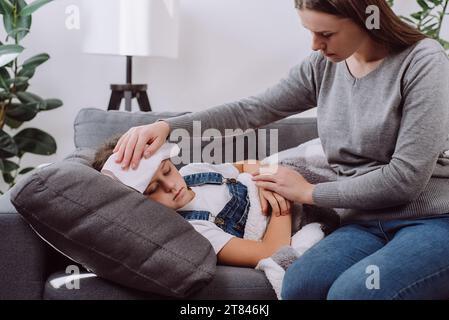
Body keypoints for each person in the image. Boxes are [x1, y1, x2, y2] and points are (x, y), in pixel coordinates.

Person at [111, 0, 449, 300]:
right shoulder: (323, 66)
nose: (316, 45)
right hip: (362, 220)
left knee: (356, 292)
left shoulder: (422, 61)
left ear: (364, 17)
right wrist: (167, 127)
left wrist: (309, 192)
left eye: (326, 34)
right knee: (300, 285)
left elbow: (405, 179)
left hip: (431, 218)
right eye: (310, 32)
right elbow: (249, 110)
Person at [92, 137, 325, 269]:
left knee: (323, 154)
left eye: (168, 170)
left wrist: (267, 177)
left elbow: (246, 165)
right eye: (153, 189)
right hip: (291, 208)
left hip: (284, 175)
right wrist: (280, 196)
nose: (172, 185)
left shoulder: (195, 171)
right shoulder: (193, 231)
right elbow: (271, 251)